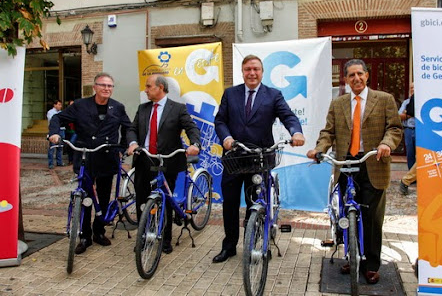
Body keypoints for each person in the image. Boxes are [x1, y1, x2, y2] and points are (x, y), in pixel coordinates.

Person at [306, 59, 402, 284]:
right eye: (351, 75)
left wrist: (387, 143)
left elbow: (394, 128)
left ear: (367, 76)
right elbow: (328, 132)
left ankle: (371, 264)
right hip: (346, 165)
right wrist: (319, 149)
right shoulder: (338, 103)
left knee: (371, 218)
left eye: (360, 74)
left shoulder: (384, 99)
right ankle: (351, 256)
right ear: (346, 79)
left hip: (373, 162)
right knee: (346, 215)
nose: (356, 78)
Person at [212, 54, 305, 263]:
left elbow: (288, 116)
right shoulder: (230, 94)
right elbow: (220, 120)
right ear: (243, 72)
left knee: (257, 203)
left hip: (259, 158)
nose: (252, 73)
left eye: (256, 69)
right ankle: (229, 246)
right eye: (247, 69)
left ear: (262, 72)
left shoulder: (273, 95)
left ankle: (256, 245)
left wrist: (295, 132)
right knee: (230, 204)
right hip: (234, 158)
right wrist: (226, 137)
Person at [49, 73, 131, 254]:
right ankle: (84, 236)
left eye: (110, 86)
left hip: (107, 157)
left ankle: (98, 232)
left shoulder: (117, 107)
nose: (107, 89)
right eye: (103, 85)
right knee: (85, 198)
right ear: (94, 87)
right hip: (85, 157)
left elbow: (128, 128)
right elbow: (58, 118)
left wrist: (123, 147)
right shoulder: (80, 105)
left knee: (102, 196)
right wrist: (54, 133)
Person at [126, 74, 201, 254]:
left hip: (168, 161)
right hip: (144, 159)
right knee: (142, 200)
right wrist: (133, 143)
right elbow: (132, 129)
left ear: (160, 87)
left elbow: (191, 127)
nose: (145, 90)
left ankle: (165, 239)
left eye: (149, 86)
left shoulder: (177, 108)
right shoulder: (143, 108)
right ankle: (143, 236)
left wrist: (195, 144)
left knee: (166, 201)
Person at [398, 82, 415, 169]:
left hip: (419, 130)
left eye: (414, 87)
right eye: (411, 88)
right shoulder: (406, 102)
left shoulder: (422, 102)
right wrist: (409, 114)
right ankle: (411, 176)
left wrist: (406, 113)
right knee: (410, 153)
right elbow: (399, 116)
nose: (412, 90)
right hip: (408, 130)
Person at [47, 100, 63, 169]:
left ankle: (59, 162)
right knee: (52, 147)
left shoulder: (61, 112)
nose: (60, 106)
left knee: (60, 147)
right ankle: (51, 163)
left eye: (60, 105)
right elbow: (52, 121)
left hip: (62, 130)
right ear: (55, 105)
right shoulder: (50, 112)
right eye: (59, 104)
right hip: (54, 131)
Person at [64, 100, 77, 165]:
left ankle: (74, 160)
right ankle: (70, 160)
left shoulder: (78, 112)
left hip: (75, 131)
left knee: (73, 144)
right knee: (69, 146)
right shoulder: (67, 113)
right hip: (68, 131)